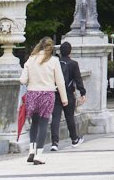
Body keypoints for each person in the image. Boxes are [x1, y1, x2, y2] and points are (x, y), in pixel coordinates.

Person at [18, 37, 69, 165]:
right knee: (43, 124)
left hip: (32, 93)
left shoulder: (31, 59)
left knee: (34, 123)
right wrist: (64, 99)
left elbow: (23, 80)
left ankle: (31, 149)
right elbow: (60, 82)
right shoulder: (54, 61)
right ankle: (39, 154)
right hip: (47, 94)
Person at [47, 42, 86, 151]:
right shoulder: (73, 64)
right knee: (69, 116)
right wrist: (82, 92)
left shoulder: (55, 63)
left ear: (60, 52)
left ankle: (54, 142)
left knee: (56, 117)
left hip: (55, 92)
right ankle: (74, 139)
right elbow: (78, 79)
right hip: (68, 93)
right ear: (70, 52)